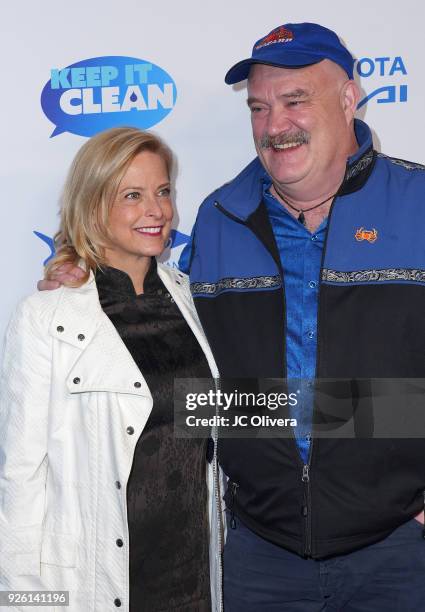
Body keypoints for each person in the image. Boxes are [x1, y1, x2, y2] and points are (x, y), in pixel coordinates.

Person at [178, 22, 425, 611]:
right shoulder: (218, 219)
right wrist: (83, 280)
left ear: (348, 100)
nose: (274, 126)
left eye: (295, 101)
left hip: (399, 548)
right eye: (260, 108)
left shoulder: (417, 204)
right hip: (261, 556)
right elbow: (188, 365)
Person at [0, 127, 223, 612]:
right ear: (93, 206)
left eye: (163, 192)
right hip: (101, 586)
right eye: (132, 196)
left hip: (195, 581)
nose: (157, 210)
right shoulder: (47, 318)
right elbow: (20, 478)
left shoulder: (191, 299)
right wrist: (24, 602)